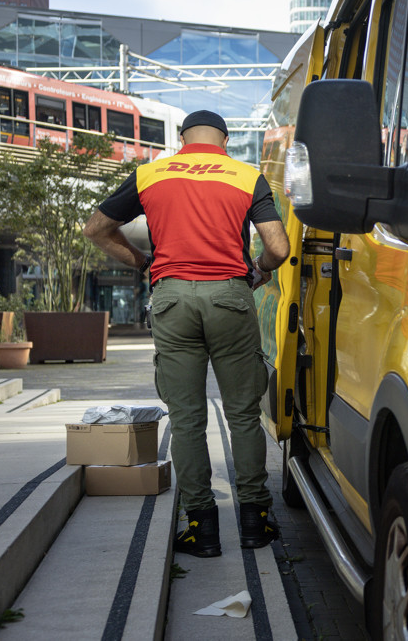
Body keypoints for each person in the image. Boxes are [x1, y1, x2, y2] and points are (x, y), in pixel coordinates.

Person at [84, 110, 290, 558]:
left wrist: (145, 264)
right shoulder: (245, 175)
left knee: (188, 418)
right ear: (226, 139)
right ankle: (255, 521)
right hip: (231, 298)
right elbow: (278, 247)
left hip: (172, 301)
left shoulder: (149, 174)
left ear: (181, 139)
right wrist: (258, 271)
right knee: (242, 414)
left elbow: (96, 229)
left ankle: (202, 527)